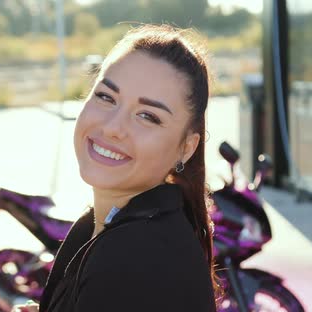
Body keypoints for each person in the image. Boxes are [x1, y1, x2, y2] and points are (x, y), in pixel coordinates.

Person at [12, 24, 219, 312]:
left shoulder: (133, 256)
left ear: (187, 146)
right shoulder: (114, 228)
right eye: (106, 97)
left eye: (148, 116)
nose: (112, 128)